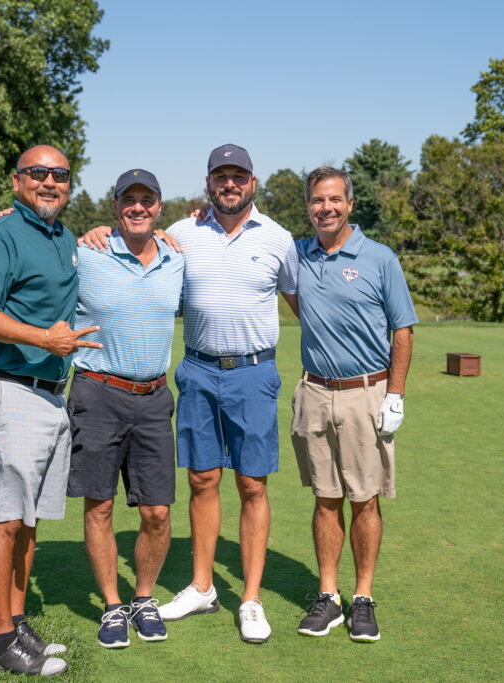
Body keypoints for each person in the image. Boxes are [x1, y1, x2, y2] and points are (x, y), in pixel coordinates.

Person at [83, 144, 299, 643]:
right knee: (202, 479)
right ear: (208, 183)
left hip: (252, 371)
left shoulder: (279, 239)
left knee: (253, 485)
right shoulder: (179, 233)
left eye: (238, 176)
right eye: (221, 176)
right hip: (198, 371)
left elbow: (302, 301)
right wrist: (96, 231)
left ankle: (250, 598)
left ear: (253, 182)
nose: (229, 184)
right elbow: (134, 248)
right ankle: (202, 586)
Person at [0, 144, 101, 675]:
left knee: (29, 522)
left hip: (48, 394)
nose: (49, 182)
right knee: (5, 519)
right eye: (37, 173)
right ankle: (0, 642)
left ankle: (17, 623)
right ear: (16, 181)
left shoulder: (64, 238)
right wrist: (44, 337)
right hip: (9, 389)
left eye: (59, 175)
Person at [289, 166, 417, 643]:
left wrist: (396, 394)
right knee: (326, 499)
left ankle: (363, 598)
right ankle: (329, 597)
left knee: (364, 500)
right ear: (308, 207)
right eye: (318, 201)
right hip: (315, 392)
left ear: (350, 204)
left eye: (334, 200)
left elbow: (402, 330)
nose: (326, 208)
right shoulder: (297, 254)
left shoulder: (379, 258)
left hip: (367, 393)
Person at [65, 169, 185, 649]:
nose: (138, 207)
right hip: (97, 392)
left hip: (154, 397)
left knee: (157, 511)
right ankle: (113, 607)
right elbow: (38, 242)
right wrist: (10, 215)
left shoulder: (177, 255)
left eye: (147, 200)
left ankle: (143, 598)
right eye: (128, 199)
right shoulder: (86, 251)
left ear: (159, 207)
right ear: (115, 206)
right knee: (101, 506)